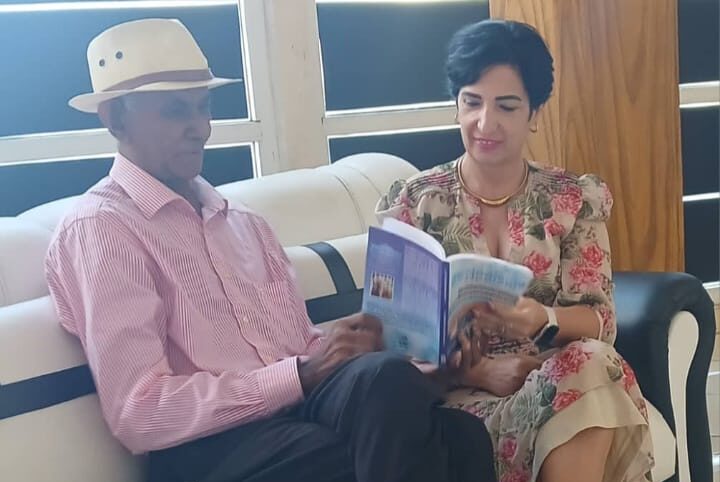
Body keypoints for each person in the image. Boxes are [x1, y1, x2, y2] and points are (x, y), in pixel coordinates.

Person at [44, 18, 497, 482]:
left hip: (296, 413)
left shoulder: (244, 223)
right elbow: (139, 413)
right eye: (176, 111)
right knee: (372, 444)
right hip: (205, 448)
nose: (200, 128)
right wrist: (301, 374)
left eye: (204, 107)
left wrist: (373, 348)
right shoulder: (102, 229)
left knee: (456, 430)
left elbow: (299, 350)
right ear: (115, 119)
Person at [376, 19, 654, 482]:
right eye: (472, 102)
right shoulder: (415, 203)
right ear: (456, 105)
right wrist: (481, 372)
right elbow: (390, 341)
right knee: (592, 387)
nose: (485, 123)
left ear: (534, 112)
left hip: (553, 382)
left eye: (506, 106)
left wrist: (541, 318)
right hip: (456, 401)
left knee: (591, 364)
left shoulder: (572, 199)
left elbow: (601, 322)